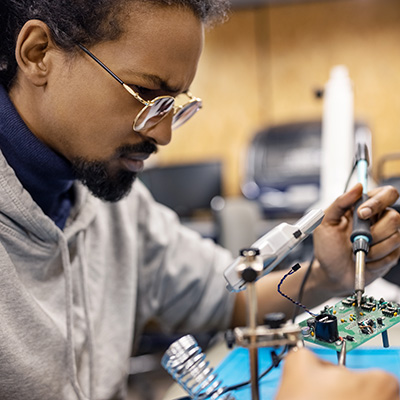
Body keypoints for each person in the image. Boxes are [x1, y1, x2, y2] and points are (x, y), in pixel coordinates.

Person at [0, 0, 399, 399]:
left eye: (173, 104)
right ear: (38, 54)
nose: (163, 135)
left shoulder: (117, 207)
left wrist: (328, 275)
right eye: (144, 94)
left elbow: (230, 298)